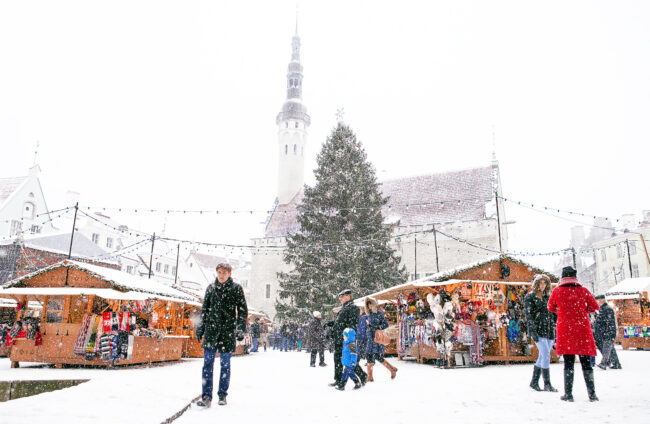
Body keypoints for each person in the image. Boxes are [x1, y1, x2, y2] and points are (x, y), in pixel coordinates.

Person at [196, 263, 248, 408]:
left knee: (225, 365)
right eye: (219, 272)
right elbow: (204, 310)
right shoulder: (211, 288)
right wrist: (200, 328)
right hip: (211, 332)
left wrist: (240, 328)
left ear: (229, 274)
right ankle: (206, 396)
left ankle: (222, 395)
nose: (221, 275)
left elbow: (242, 310)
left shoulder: (236, 289)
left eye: (224, 272)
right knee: (207, 364)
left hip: (227, 332)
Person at [547, 266, 600, 402]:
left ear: (563, 277)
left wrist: (562, 311)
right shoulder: (583, 291)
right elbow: (595, 306)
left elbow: (550, 306)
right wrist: (583, 311)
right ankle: (592, 394)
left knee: (568, 362)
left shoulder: (557, 291)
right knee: (586, 362)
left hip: (565, 329)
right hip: (582, 329)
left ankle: (568, 394)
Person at [327, 289, 367, 388]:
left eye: (342, 296)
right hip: (339, 339)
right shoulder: (343, 308)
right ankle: (338, 379)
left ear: (349, 296)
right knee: (338, 360)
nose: (340, 298)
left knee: (349, 360)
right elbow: (339, 322)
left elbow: (352, 325)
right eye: (340, 297)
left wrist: (346, 337)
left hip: (347, 340)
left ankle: (362, 376)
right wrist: (330, 324)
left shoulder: (353, 308)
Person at [524, 274, 557, 392]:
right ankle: (547, 383)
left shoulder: (548, 297)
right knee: (546, 355)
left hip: (548, 329)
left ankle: (534, 382)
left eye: (544, 283)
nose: (542, 285)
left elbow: (553, 312)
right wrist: (532, 331)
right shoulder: (530, 297)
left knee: (543, 355)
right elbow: (528, 316)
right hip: (538, 330)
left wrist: (555, 322)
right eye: (540, 283)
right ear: (536, 284)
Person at [364, 297, 398, 381]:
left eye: (370, 303)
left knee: (378, 357)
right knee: (369, 356)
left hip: (377, 339)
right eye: (368, 304)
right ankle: (370, 376)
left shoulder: (379, 313)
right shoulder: (369, 315)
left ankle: (392, 370)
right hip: (370, 339)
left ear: (374, 304)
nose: (369, 306)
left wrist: (375, 327)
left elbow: (385, 325)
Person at [594, 301, 622, 370]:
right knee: (611, 349)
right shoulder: (603, 309)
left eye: (598, 300)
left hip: (607, 332)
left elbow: (607, 322)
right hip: (608, 332)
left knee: (606, 349)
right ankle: (616, 364)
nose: (597, 302)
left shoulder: (606, 309)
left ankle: (604, 363)